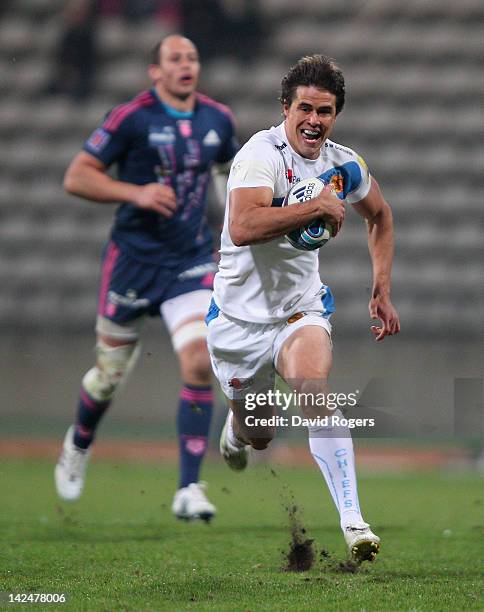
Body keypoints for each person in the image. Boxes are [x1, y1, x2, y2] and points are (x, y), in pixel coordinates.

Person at [206, 54, 400, 560]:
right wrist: (315, 207)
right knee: (261, 434)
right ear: (286, 108)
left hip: (300, 311)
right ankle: (237, 427)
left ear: (336, 115)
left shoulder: (344, 164)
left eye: (326, 111)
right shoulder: (259, 155)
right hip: (237, 322)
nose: (315, 120)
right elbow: (244, 226)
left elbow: (379, 215)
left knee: (315, 392)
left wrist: (381, 285)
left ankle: (354, 523)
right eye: (306, 108)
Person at [54, 35, 238, 522]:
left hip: (189, 261)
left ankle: (189, 488)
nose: (186, 65)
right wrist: (135, 193)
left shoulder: (218, 118)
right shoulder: (131, 117)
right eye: (175, 59)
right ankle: (79, 441)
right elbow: (77, 176)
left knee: (200, 361)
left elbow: (227, 176)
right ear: (154, 72)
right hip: (133, 262)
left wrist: (232, 227)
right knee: (107, 378)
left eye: (193, 58)